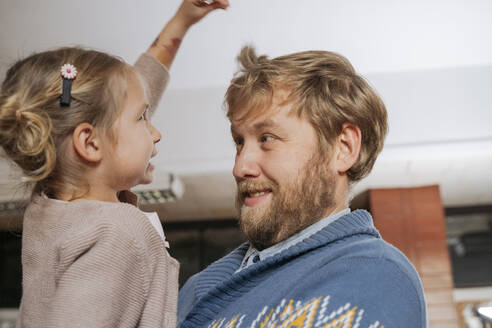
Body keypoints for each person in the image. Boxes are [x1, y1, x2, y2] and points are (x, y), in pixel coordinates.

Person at [0, 0, 228, 327]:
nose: (156, 133)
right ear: (90, 144)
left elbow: (131, 94)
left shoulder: (50, 205)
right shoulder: (115, 235)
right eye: (142, 118)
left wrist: (181, 22)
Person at [177, 47, 427, 327]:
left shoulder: (376, 276)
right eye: (239, 141)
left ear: (343, 148)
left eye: (267, 138)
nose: (240, 167)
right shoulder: (196, 289)